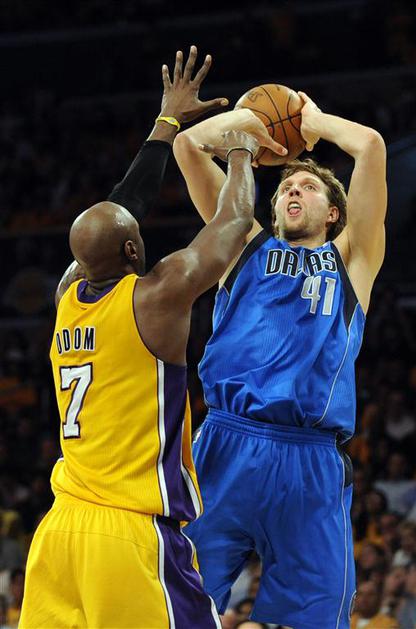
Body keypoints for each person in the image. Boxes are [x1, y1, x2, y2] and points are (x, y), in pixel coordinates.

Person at [18, 47, 278, 629]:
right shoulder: (155, 297)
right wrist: (241, 150)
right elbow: (233, 224)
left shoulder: (66, 296)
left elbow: (120, 209)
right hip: (128, 533)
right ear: (134, 250)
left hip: (60, 530)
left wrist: (167, 121)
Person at [173, 91, 387, 628]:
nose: (294, 189)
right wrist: (249, 123)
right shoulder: (243, 246)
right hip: (225, 444)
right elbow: (187, 146)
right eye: (287, 187)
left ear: (333, 213)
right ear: (272, 209)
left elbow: (370, 146)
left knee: (316, 618)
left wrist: (313, 121)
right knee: (175, 603)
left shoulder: (352, 260)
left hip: (309, 459)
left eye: (309, 187)